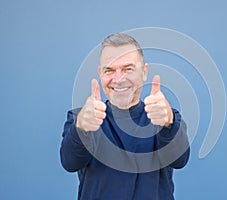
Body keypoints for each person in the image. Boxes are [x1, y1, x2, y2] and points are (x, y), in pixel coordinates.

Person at [60, 33, 190, 200]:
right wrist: (81, 129)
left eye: (128, 69)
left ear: (144, 72)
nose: (118, 79)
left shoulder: (164, 118)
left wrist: (169, 124)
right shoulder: (82, 119)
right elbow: (69, 163)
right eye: (109, 70)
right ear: (100, 73)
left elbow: (180, 161)